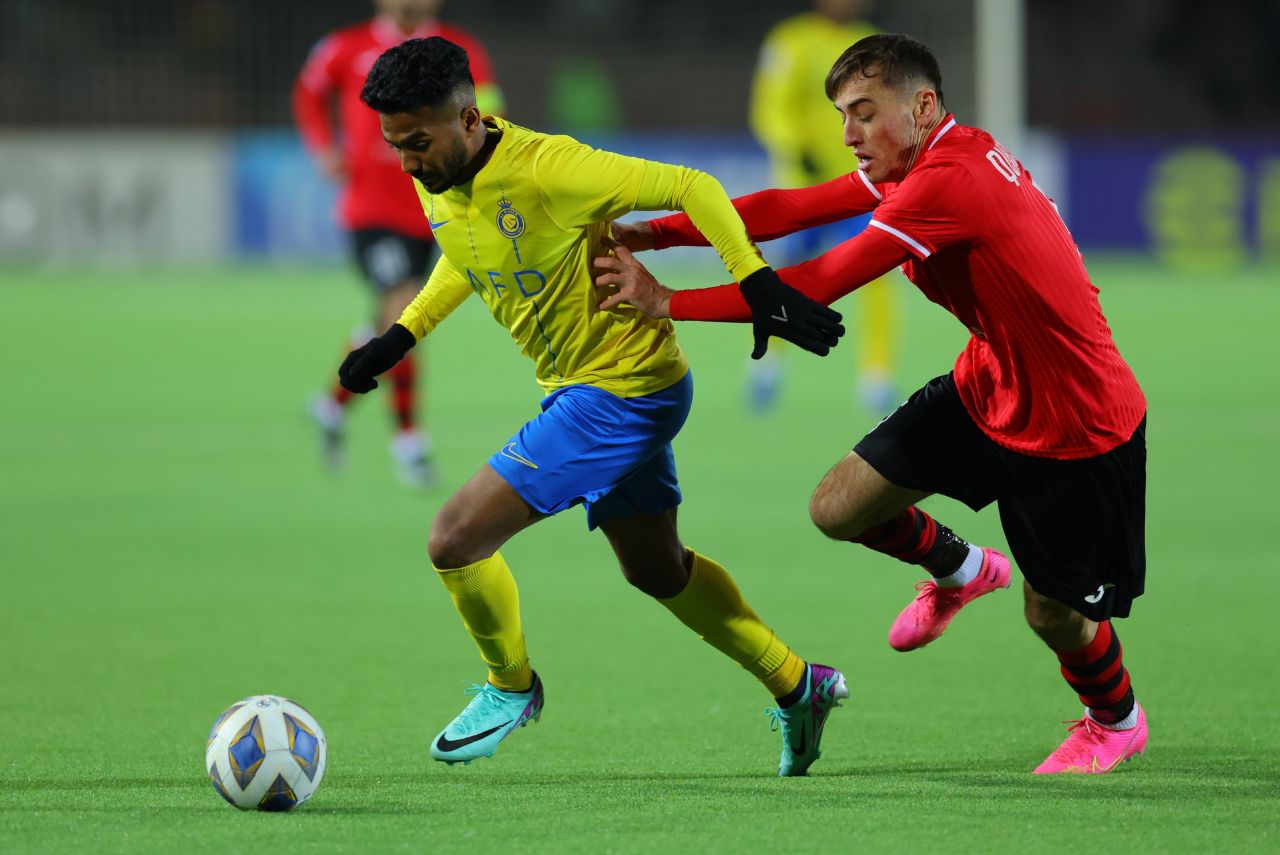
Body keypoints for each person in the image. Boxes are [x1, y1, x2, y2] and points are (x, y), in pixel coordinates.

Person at [598, 34, 1150, 775]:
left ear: (923, 106)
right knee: (837, 506)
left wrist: (666, 300)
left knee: (1053, 614)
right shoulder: (916, 160)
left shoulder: (948, 182)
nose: (849, 134)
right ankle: (961, 569)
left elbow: (819, 279)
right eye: (841, 116)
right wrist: (657, 231)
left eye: (864, 112)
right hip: (989, 384)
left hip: (1075, 424)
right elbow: (789, 207)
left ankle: (1116, 719)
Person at [338, 36, 848, 775]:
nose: (409, 162)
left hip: (622, 394)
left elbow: (692, 185)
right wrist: (402, 333)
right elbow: (466, 247)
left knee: (453, 539)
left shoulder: (551, 169)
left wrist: (757, 283)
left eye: (417, 143)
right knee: (657, 568)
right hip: (603, 386)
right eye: (396, 147)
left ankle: (511, 685)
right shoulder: (440, 172)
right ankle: (801, 684)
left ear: (470, 117)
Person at [293, 0, 503, 487]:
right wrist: (323, 147)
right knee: (403, 308)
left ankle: (332, 405)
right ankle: (409, 441)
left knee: (385, 318)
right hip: (370, 210)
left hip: (432, 210)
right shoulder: (346, 46)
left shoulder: (462, 50)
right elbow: (308, 95)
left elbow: (488, 110)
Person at [748, 0, 897, 414]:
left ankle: (876, 376)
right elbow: (770, 107)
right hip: (805, 186)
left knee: (877, 275)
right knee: (784, 278)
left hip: (861, 184)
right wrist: (796, 148)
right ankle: (769, 362)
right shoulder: (791, 41)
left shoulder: (874, 45)